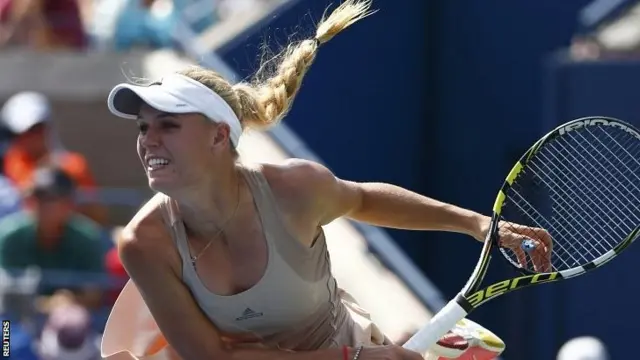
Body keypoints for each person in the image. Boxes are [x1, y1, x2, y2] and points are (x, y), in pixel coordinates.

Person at [101, 1, 552, 359]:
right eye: (144, 127)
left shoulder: (293, 189)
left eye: (168, 125)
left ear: (220, 135)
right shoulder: (145, 243)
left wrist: (477, 225)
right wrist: (351, 359)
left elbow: (363, 200)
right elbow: (213, 356)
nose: (149, 141)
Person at [0, 165, 106, 309]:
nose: (39, 204)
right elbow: (6, 292)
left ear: (68, 204)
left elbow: (95, 294)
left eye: (49, 198)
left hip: (71, 316)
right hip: (18, 315)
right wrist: (44, 304)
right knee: (6, 328)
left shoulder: (87, 237)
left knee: (74, 324)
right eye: (36, 197)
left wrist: (68, 301)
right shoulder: (10, 235)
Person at [0, 91, 107, 225]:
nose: (31, 138)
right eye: (22, 133)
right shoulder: (11, 162)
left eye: (37, 130)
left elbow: (96, 213)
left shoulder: (73, 165)